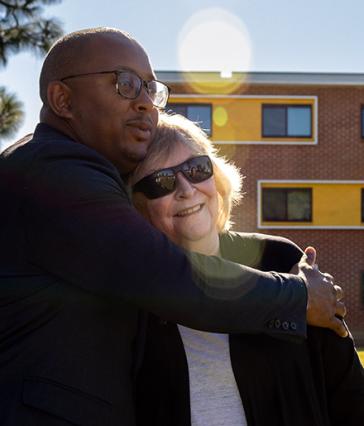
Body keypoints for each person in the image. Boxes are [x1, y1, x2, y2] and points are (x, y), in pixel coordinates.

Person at [0, 27, 346, 426]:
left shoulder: (282, 256)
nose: (147, 103)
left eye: (151, 88)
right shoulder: (53, 171)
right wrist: (300, 297)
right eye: (125, 84)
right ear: (63, 99)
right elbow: (168, 276)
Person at [132, 112, 364, 426]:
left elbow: (351, 397)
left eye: (197, 169)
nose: (187, 188)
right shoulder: (131, 299)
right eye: (162, 181)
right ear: (135, 207)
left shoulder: (280, 259)